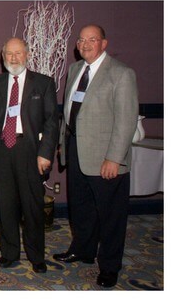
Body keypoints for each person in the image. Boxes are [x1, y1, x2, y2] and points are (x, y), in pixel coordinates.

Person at [54, 24, 138, 288]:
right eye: (81, 40)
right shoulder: (75, 69)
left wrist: (115, 158)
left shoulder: (121, 74)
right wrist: (61, 143)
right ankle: (83, 250)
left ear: (104, 43)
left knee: (110, 216)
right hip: (76, 150)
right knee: (81, 208)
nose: (86, 44)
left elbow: (126, 120)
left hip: (106, 158)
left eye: (92, 39)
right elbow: (70, 110)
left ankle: (110, 266)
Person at [0, 37, 59, 274]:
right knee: (6, 205)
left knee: (32, 206)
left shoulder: (43, 83)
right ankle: (9, 252)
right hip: (0, 149)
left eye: (18, 53)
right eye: (9, 54)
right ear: (3, 58)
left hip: (30, 151)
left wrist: (45, 154)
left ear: (27, 55)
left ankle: (36, 256)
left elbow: (52, 122)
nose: (13, 58)